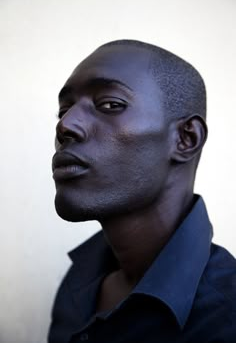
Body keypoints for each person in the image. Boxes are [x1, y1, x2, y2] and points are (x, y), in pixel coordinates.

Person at [48, 40, 236, 343]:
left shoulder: (226, 317)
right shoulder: (78, 283)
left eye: (110, 104)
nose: (66, 125)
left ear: (185, 139)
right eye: (64, 109)